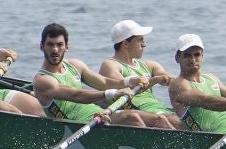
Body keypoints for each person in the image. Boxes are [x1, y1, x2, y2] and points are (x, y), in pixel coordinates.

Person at [32, 23, 168, 128]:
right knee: (132, 117)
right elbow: (76, 95)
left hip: (99, 114)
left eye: (59, 45)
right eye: (50, 45)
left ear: (67, 47)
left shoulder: (75, 65)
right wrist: (112, 93)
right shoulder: (42, 80)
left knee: (159, 119)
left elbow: (103, 83)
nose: (55, 50)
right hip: (76, 124)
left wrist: (129, 81)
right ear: (41, 47)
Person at [98, 19, 184, 130]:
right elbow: (123, 88)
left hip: (156, 108)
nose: (144, 44)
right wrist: (155, 80)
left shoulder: (150, 65)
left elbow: (171, 78)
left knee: (189, 118)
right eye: (140, 40)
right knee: (177, 122)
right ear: (125, 43)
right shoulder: (110, 65)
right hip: (133, 110)